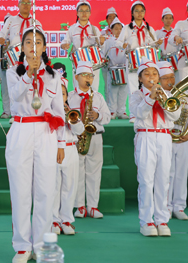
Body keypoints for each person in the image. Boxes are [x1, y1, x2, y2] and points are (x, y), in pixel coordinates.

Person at [6, 25, 65, 263]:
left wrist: (61, 143)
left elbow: (59, 111)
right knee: (20, 191)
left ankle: (41, 246)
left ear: (44, 47)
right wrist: (29, 75)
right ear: (22, 47)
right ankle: (22, 247)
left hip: (46, 133)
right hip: (20, 130)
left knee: (45, 192)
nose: (33, 46)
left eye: (38, 42)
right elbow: (15, 97)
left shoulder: (54, 76)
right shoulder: (13, 72)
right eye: (29, 42)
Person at [129, 58, 182, 237]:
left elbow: (175, 115)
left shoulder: (168, 94)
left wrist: (163, 99)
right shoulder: (136, 95)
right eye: (147, 74)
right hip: (145, 136)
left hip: (165, 137)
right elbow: (139, 113)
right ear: (140, 78)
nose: (151, 77)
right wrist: (151, 98)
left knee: (163, 180)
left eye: (154, 73)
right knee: (146, 180)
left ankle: (162, 219)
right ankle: (146, 221)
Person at [70, 61, 111, 219]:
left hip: (95, 137)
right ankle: (79, 206)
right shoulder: (70, 97)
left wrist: (97, 116)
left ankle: (93, 206)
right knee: (78, 172)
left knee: (94, 172)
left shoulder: (98, 97)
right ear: (76, 77)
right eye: (84, 75)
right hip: (77, 138)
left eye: (91, 76)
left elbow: (107, 118)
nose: (88, 78)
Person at [0, 0, 41, 118]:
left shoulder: (35, 21)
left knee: (30, 84)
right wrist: (1, 39)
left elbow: (42, 37)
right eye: (23, 3)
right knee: (13, 85)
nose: (26, 5)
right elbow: (1, 33)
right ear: (18, 5)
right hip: (14, 56)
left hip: (30, 56)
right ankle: (13, 113)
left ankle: (30, 111)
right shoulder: (11, 20)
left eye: (28, 3)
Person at [158, 61, 188, 221]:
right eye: (165, 78)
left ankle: (179, 206)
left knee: (181, 173)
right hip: (166, 138)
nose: (170, 81)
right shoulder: (157, 96)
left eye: (172, 77)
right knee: (166, 173)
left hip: (183, 139)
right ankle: (165, 206)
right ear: (159, 80)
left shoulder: (185, 96)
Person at [117, 0, 161, 122]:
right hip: (133, 61)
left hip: (147, 63)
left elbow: (154, 44)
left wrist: (157, 43)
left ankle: (148, 111)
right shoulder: (127, 28)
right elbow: (118, 42)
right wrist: (123, 45)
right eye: (137, 11)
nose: (139, 13)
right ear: (132, 13)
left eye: (142, 11)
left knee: (148, 87)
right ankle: (133, 114)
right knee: (133, 88)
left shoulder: (149, 28)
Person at [52, 76, 83, 235]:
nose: (60, 97)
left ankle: (66, 220)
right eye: (56, 93)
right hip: (53, 150)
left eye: (63, 94)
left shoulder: (72, 112)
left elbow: (80, 131)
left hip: (71, 150)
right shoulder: (48, 112)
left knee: (70, 186)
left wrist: (72, 119)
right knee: (54, 187)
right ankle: (53, 220)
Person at [60, 1, 105, 91]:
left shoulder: (94, 29)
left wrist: (102, 42)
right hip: (78, 62)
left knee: (93, 88)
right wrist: (64, 45)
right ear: (77, 13)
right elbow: (64, 42)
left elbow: (101, 45)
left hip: (93, 63)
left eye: (86, 11)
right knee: (78, 88)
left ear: (90, 13)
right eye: (81, 11)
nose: (84, 13)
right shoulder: (72, 29)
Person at [101, 17, 128, 120]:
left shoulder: (126, 41)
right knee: (112, 90)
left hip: (124, 69)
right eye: (116, 28)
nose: (118, 31)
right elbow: (103, 53)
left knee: (123, 91)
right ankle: (112, 111)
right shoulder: (108, 41)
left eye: (120, 28)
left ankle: (121, 111)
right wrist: (105, 60)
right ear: (111, 30)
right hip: (112, 70)